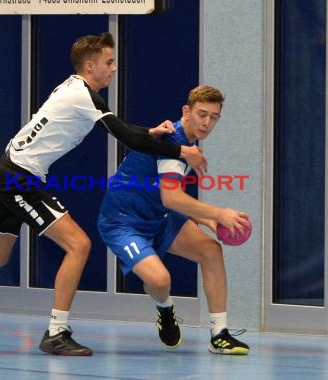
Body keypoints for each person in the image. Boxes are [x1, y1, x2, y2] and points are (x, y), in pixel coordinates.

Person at [0, 32, 206, 356]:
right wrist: (181, 149)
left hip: (10, 171)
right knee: (79, 244)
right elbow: (126, 136)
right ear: (90, 66)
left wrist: (151, 132)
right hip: (20, 179)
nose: (114, 68)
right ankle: (56, 332)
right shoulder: (82, 96)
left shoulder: (76, 89)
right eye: (109, 62)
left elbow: (128, 131)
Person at [97, 85, 251, 355]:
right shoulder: (172, 140)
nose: (206, 122)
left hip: (159, 217)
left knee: (211, 251)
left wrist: (204, 220)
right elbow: (172, 197)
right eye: (202, 114)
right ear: (186, 111)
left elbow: (165, 197)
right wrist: (218, 214)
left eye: (213, 117)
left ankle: (219, 335)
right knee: (159, 281)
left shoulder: (187, 143)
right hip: (123, 222)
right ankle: (165, 310)